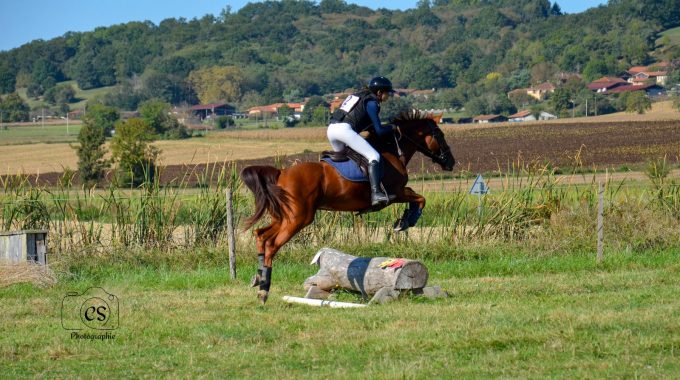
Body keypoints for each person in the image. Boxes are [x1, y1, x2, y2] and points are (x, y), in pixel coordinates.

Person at [327, 76, 395, 206]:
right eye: (388, 92)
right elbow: (379, 131)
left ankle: (348, 191)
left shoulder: (359, 96)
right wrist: (393, 127)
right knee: (373, 156)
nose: (389, 95)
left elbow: (366, 124)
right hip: (344, 130)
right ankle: (376, 194)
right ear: (379, 92)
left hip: (331, 130)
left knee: (347, 160)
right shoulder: (372, 102)